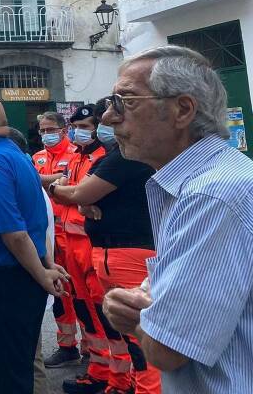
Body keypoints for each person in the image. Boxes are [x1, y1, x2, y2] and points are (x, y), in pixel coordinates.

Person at [101, 46, 253, 394]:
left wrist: (137, 318)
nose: (108, 117)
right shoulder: (203, 184)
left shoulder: (211, 195)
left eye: (125, 101)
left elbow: (168, 351)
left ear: (182, 110)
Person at [0, 95, 69, 394]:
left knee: (8, 374)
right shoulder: (15, 156)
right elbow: (33, 218)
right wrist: (44, 264)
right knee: (17, 365)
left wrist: (43, 273)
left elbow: (13, 231)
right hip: (19, 275)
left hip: (6, 281)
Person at [50, 99, 159, 394]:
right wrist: (81, 200)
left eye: (96, 124)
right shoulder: (101, 157)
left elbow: (78, 193)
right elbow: (82, 198)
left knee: (135, 329)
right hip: (97, 250)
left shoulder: (121, 157)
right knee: (102, 318)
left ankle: (139, 386)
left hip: (118, 253)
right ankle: (115, 378)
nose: (101, 126)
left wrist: (58, 190)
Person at [52, 105, 112, 394]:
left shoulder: (103, 158)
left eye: (87, 126)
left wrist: (68, 192)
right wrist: (69, 193)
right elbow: (69, 193)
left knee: (102, 312)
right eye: (77, 126)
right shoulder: (77, 156)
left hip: (90, 243)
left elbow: (75, 193)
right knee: (84, 309)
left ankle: (116, 375)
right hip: (70, 242)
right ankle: (99, 371)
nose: (80, 131)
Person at [33, 111, 81, 368]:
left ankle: (96, 350)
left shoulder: (76, 154)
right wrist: (56, 181)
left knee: (84, 297)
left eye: (50, 129)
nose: (46, 135)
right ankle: (66, 345)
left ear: (63, 130)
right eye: (42, 130)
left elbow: (75, 185)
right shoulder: (37, 158)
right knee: (59, 294)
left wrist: (45, 182)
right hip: (50, 236)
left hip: (74, 235)